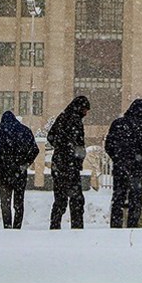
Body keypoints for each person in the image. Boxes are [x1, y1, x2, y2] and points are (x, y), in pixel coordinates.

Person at [104, 98, 142, 228]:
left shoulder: (118, 124)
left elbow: (109, 145)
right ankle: (132, 225)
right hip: (137, 170)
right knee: (135, 200)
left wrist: (117, 159)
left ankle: (115, 225)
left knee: (118, 198)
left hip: (120, 168)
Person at [48, 95, 90, 229]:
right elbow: (78, 144)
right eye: (85, 110)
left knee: (60, 199)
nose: (86, 113)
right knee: (77, 199)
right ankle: (77, 227)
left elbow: (50, 137)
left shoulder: (62, 117)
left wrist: (60, 147)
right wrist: (74, 155)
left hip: (58, 164)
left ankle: (54, 226)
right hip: (70, 166)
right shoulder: (75, 121)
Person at [0, 110, 40, 229]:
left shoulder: (0, 132)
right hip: (19, 172)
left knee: (5, 202)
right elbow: (35, 150)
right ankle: (17, 225)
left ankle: (7, 225)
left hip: (4, 172)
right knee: (18, 202)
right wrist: (26, 162)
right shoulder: (25, 131)